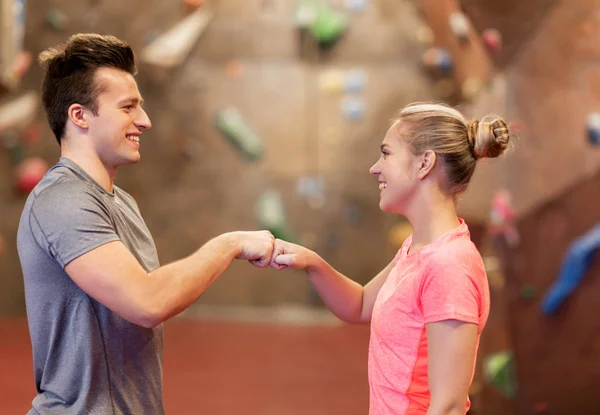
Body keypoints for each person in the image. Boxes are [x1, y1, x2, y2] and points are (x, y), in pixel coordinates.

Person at [16, 33, 274, 415]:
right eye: (128, 107)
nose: (145, 120)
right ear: (79, 115)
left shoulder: (121, 202)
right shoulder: (62, 201)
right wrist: (230, 244)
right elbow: (148, 301)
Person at [269, 103, 511, 415]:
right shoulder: (418, 249)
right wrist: (311, 261)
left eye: (386, 153)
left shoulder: (449, 266)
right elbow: (359, 304)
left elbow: (448, 407)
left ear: (425, 163)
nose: (375, 167)